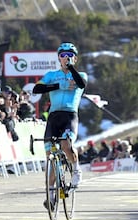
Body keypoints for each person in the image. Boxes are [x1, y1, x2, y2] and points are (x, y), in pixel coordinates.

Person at [32, 42, 87, 210]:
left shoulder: (80, 75)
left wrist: (70, 69)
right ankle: (51, 195)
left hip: (70, 115)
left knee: (65, 144)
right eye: (63, 55)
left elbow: (81, 84)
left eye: (70, 55)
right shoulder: (51, 74)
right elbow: (37, 89)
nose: (66, 57)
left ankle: (76, 170)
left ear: (75, 59)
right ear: (58, 58)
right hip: (54, 116)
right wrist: (58, 85)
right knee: (50, 155)